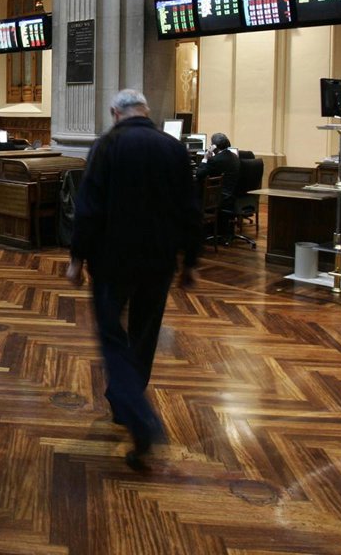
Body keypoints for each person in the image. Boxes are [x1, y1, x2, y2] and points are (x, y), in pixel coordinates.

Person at [66, 89, 199, 470]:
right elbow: (190, 209)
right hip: (159, 261)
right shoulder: (172, 148)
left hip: (113, 260)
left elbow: (88, 207)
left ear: (115, 112)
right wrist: (190, 262)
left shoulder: (107, 145)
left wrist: (77, 258)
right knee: (144, 335)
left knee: (112, 336)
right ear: (146, 110)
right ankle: (125, 404)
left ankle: (139, 418)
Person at [195, 132, 240, 237]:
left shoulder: (215, 160)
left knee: (194, 191)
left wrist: (205, 158)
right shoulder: (234, 156)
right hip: (231, 195)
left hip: (219, 198)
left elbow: (199, 174)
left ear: (214, 146)